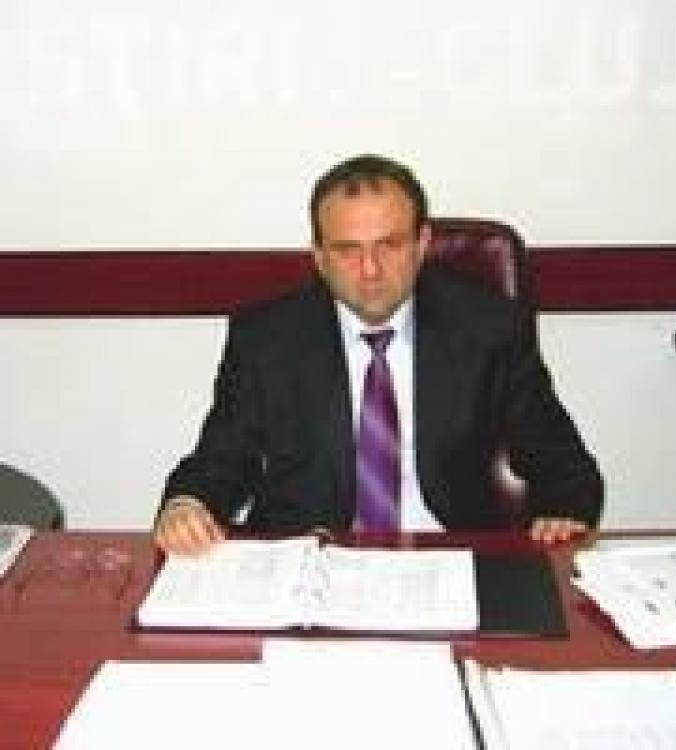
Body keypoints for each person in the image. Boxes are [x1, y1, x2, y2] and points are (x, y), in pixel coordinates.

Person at [154, 154, 603, 554]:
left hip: (449, 559)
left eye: (389, 245)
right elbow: (220, 461)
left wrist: (563, 511)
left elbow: (563, 464)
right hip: (311, 565)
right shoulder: (267, 338)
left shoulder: (488, 329)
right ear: (319, 257)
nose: (370, 270)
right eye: (347, 250)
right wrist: (187, 505)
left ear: (422, 245)